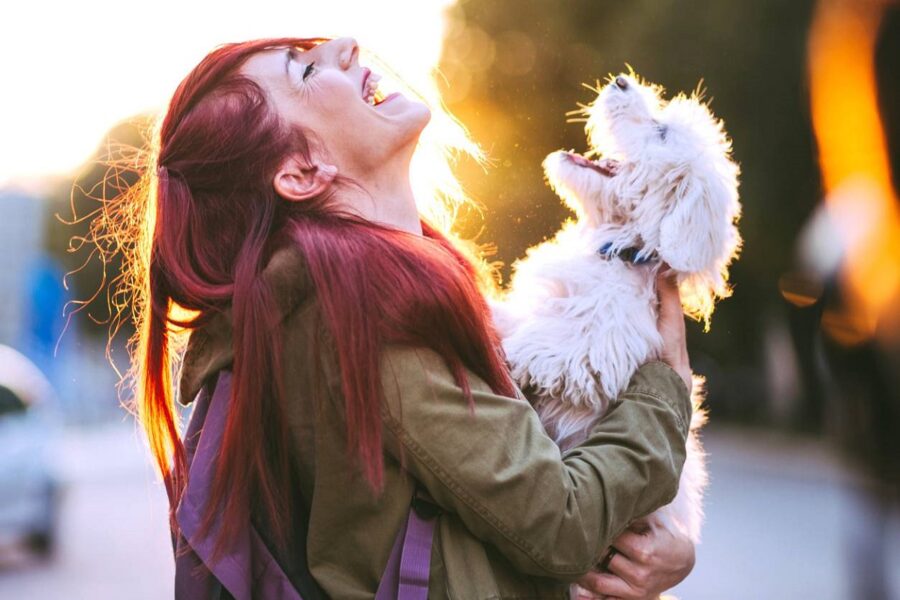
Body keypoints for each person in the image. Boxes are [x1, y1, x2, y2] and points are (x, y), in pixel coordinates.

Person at [127, 36, 696, 599]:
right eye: (304, 71)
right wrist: (663, 389)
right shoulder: (362, 311)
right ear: (301, 173)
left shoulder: (351, 294)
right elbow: (562, 522)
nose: (345, 46)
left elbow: (494, 502)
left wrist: (655, 547)